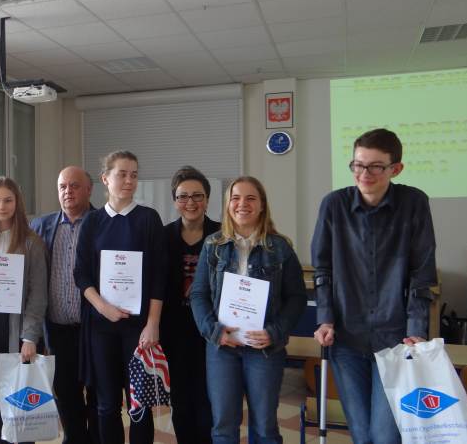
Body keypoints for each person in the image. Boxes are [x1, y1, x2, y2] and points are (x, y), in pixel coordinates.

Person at [311, 128, 437, 444]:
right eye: (358, 165)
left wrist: (416, 329)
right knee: (361, 432)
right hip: (345, 337)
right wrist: (325, 318)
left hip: (395, 339)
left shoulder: (414, 202)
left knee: (385, 434)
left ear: (396, 168)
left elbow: (422, 273)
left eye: (375, 166)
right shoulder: (334, 205)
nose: (364, 174)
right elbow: (323, 269)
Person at [189, 176, 306, 444]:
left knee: (265, 428)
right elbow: (198, 294)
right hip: (222, 349)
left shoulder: (280, 248)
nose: (242, 204)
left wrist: (274, 332)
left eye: (251, 198)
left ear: (262, 205)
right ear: (228, 204)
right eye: (236, 198)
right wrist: (214, 331)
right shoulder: (213, 245)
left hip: (264, 350)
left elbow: (297, 298)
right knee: (223, 427)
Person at [74, 150, 166, 444]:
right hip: (101, 328)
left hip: (139, 329)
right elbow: (81, 274)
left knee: (140, 404)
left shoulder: (148, 219)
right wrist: (103, 307)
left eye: (134, 175)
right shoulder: (92, 221)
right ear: (105, 178)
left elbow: (159, 276)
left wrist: (153, 324)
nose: (129, 180)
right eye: (122, 174)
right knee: (106, 404)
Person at [0, 176, 48, 444]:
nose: (1, 207)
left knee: (21, 399)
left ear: (17, 203)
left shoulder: (32, 243)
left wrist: (30, 337)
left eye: (7, 200)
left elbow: (38, 294)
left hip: (20, 332)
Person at [30, 166, 100, 444]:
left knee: (98, 393)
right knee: (66, 393)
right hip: (57, 329)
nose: (67, 191)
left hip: (94, 327)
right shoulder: (40, 226)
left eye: (74, 185)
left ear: (89, 190)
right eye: (62, 186)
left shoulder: (103, 223)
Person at [162, 166, 218, 444]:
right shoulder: (163, 236)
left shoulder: (222, 235)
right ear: (175, 201)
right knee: (181, 400)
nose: (191, 202)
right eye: (183, 196)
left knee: (209, 399)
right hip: (174, 330)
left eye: (198, 195)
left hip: (212, 329)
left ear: (207, 199)